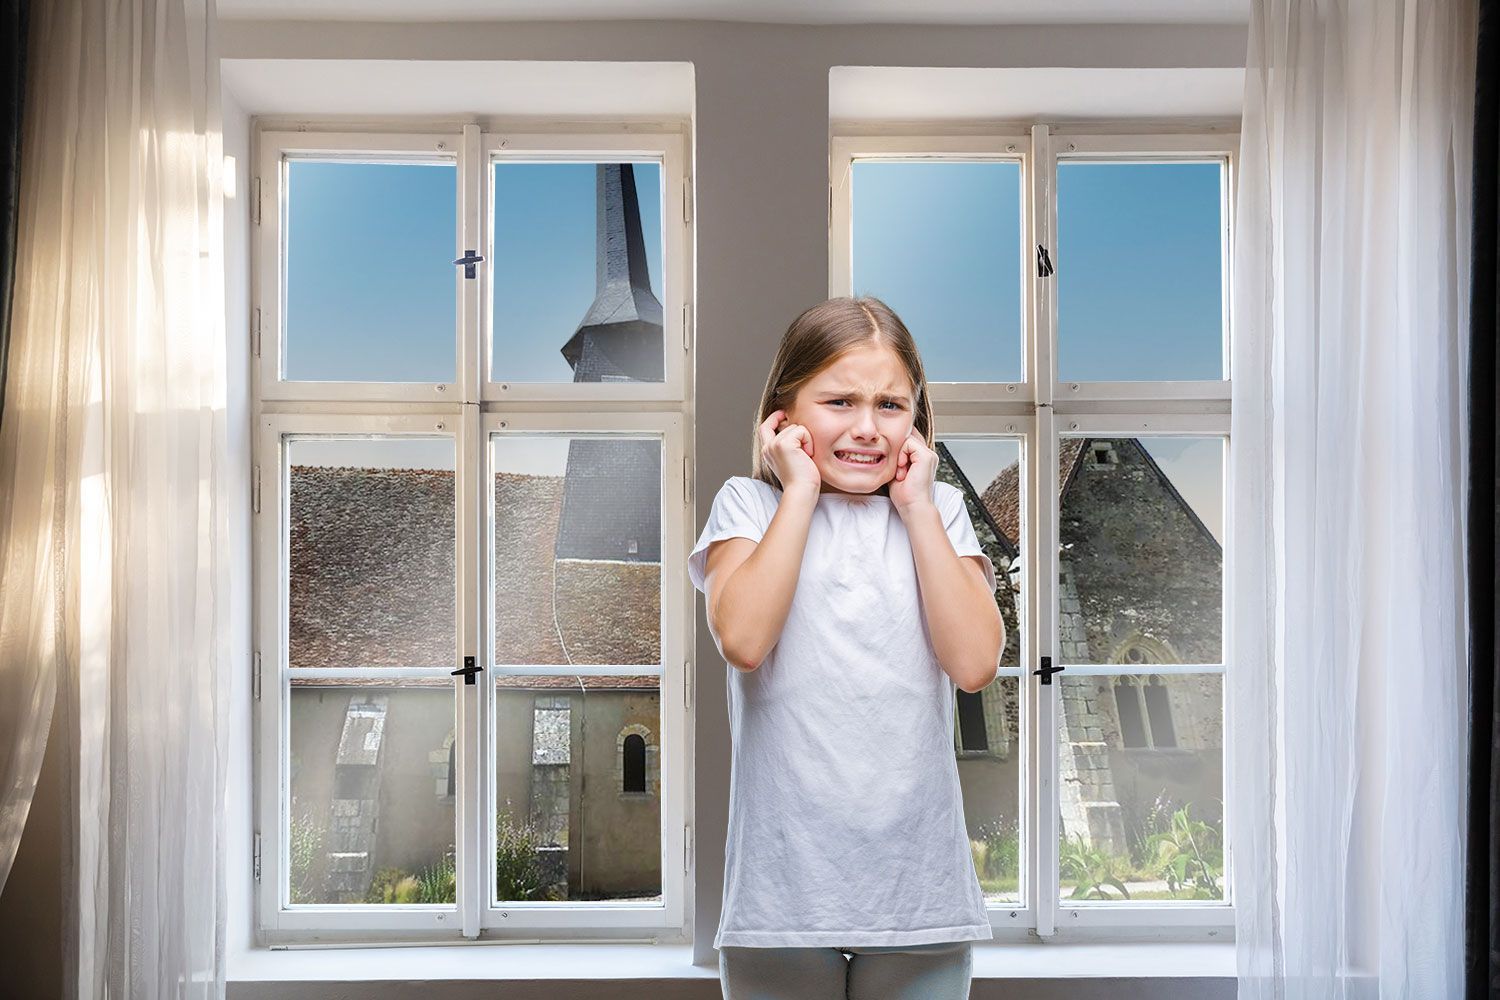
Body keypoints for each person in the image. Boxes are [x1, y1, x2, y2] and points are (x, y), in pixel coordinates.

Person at [687, 296, 1005, 1000]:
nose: (867, 428)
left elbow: (976, 663)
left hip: (919, 889)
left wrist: (919, 505)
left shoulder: (940, 509)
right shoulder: (750, 505)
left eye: (891, 406)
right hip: (782, 894)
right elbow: (742, 639)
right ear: (785, 411)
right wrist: (797, 490)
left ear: (916, 421)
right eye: (838, 401)